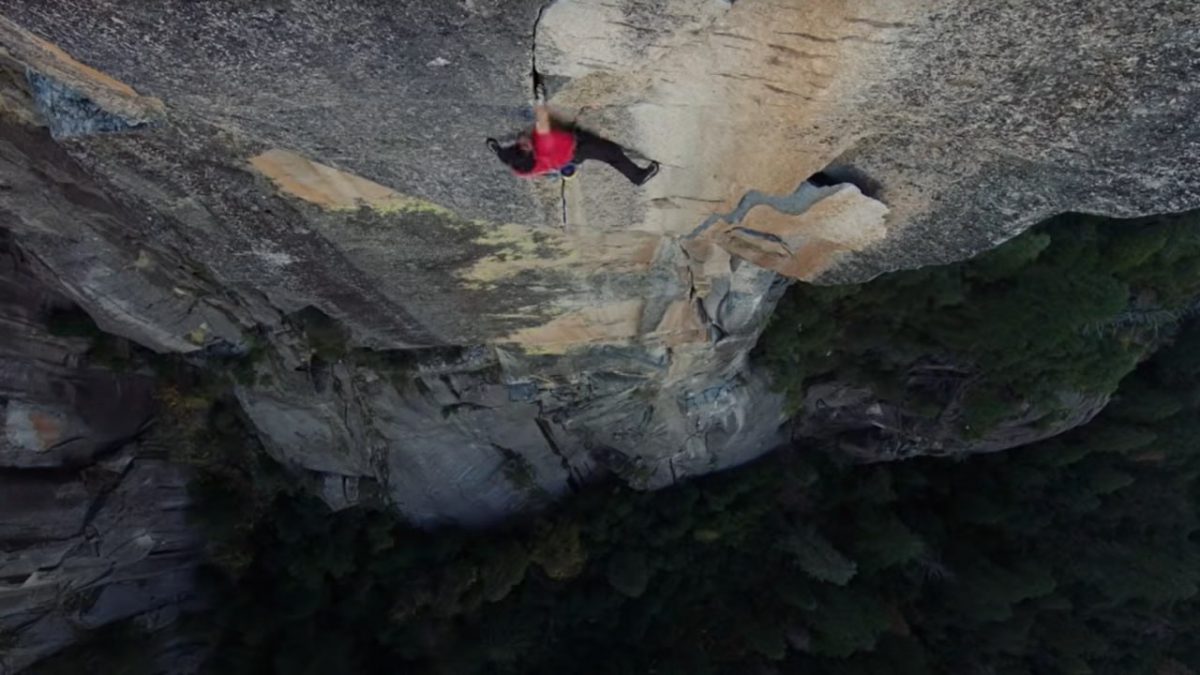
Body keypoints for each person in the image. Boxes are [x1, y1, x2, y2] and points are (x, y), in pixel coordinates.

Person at [487, 102, 659, 186]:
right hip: (578, 148)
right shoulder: (542, 145)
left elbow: (510, 157)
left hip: (566, 156)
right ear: (528, 150)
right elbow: (543, 120)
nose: (521, 140)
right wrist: (539, 102)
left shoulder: (520, 169)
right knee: (612, 153)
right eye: (522, 144)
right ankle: (638, 177)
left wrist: (498, 149)